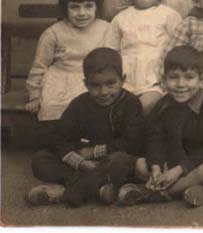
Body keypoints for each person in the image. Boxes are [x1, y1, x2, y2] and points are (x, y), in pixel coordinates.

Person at [27, 48, 144, 207]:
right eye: (95, 85)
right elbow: (60, 137)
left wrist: (95, 151)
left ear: (122, 80)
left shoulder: (131, 103)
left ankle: (67, 192)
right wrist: (80, 163)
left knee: (121, 160)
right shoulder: (79, 104)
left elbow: (133, 142)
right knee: (40, 159)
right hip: (83, 163)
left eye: (111, 84)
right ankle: (98, 189)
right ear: (85, 83)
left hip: (112, 159)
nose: (103, 92)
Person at [118, 46, 203, 207]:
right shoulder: (163, 104)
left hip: (196, 164)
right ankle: (186, 189)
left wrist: (179, 170)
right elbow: (154, 139)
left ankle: (152, 194)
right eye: (173, 77)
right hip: (169, 163)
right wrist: (156, 167)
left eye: (189, 78)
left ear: (202, 80)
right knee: (140, 165)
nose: (181, 84)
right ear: (163, 80)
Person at [26, 0, 112, 127]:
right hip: (60, 79)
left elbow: (115, 60)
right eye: (74, 7)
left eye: (88, 6)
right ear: (65, 8)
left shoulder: (107, 29)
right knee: (52, 107)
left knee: (90, 108)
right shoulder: (53, 33)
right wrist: (34, 95)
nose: (82, 13)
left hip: (92, 79)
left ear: (97, 7)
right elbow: (39, 66)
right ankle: (57, 143)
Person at [109, 0, 181, 115]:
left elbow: (179, 47)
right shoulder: (121, 18)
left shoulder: (168, 15)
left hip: (154, 81)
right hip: (126, 80)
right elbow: (111, 51)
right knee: (120, 110)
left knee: (145, 107)